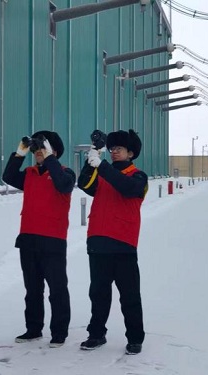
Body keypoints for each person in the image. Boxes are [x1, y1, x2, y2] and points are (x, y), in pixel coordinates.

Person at [2, 130, 76, 348]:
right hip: (28, 239)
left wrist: (50, 156)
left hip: (53, 240)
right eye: (36, 150)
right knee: (33, 289)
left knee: (57, 288)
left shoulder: (65, 173)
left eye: (41, 149)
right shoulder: (30, 174)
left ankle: (59, 332)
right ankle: (33, 329)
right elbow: (8, 177)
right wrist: (19, 153)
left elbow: (63, 185)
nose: (38, 153)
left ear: (54, 152)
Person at [77, 129, 148, 355]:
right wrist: (92, 158)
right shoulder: (103, 174)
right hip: (98, 242)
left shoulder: (138, 177)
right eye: (112, 148)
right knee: (98, 293)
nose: (114, 152)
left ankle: (135, 338)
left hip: (123, 244)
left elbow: (128, 189)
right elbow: (84, 184)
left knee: (129, 295)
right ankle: (96, 334)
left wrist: (102, 166)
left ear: (131, 153)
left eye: (119, 149)